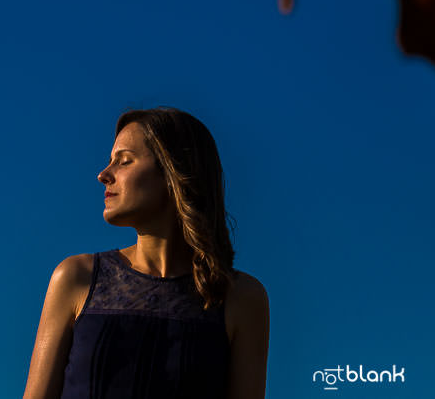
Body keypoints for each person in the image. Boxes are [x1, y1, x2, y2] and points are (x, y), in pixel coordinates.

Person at [23, 107, 269, 398]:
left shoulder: (241, 298)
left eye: (124, 161)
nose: (104, 175)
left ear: (173, 173)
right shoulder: (76, 278)